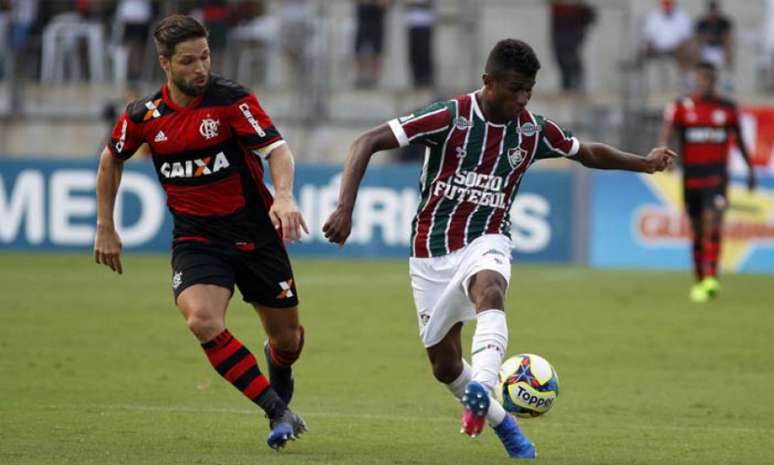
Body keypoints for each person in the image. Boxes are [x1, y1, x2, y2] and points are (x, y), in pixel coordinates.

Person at [323, 38, 676, 458]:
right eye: (514, 89)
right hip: (431, 252)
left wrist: (645, 163)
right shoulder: (448, 117)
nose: (522, 99)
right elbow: (366, 141)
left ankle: (484, 388)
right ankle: (502, 421)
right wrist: (345, 208)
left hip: (488, 238)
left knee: (491, 290)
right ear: (488, 82)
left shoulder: (531, 130)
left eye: (528, 89)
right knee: (444, 365)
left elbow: (588, 152)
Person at [94, 14, 309, 451]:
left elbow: (277, 149)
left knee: (288, 339)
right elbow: (110, 159)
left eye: (206, 57)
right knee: (202, 320)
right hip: (197, 240)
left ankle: (279, 366)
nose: (201, 68)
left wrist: (283, 197)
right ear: (165, 64)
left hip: (254, 234)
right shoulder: (144, 115)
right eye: (189, 61)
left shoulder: (231, 101)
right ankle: (275, 408)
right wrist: (105, 225)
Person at [659, 61, 756, 303]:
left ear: (715, 81)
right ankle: (700, 279)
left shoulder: (728, 109)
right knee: (697, 229)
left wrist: (751, 169)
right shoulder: (681, 107)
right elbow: (666, 134)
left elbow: (741, 141)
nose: (705, 83)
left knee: (713, 221)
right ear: (695, 79)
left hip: (717, 176)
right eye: (701, 79)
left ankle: (712, 277)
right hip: (692, 176)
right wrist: (665, 156)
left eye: (709, 79)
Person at [549, 0, 595, 93]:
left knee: (570, 55)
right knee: (561, 57)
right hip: (560, 25)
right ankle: (568, 85)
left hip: (573, 25)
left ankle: (576, 85)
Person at [695, 1, 733, 71]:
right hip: (706, 48)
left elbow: (727, 37)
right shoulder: (701, 23)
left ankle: (728, 72)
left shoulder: (724, 23)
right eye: (711, 11)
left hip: (720, 48)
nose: (713, 13)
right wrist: (705, 38)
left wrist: (715, 38)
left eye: (715, 10)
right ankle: (697, 70)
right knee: (695, 47)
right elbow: (698, 38)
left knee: (728, 46)